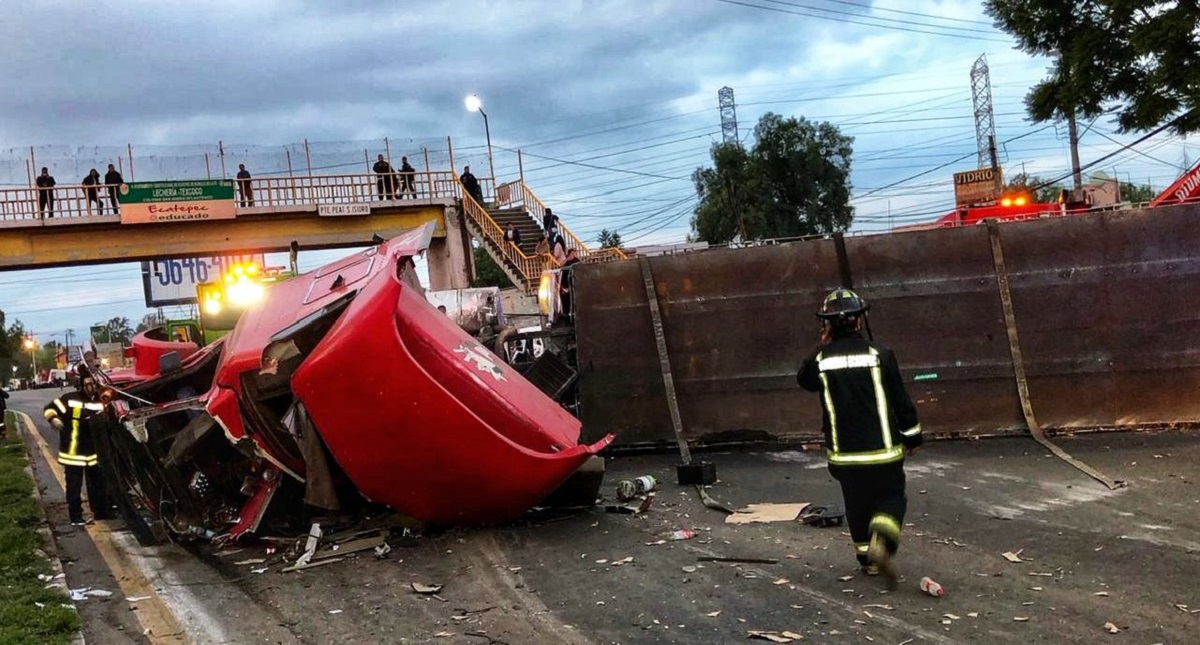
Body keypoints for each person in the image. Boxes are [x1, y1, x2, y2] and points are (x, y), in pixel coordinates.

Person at [796, 288, 922, 589]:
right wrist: (913, 436)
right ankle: (882, 538)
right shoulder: (880, 355)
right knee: (891, 497)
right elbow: (900, 400)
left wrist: (820, 346)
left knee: (856, 504)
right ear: (859, 321)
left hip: (844, 456)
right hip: (883, 452)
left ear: (826, 324)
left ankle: (868, 562)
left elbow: (804, 380)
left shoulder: (821, 360)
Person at [43, 363, 112, 526]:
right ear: (81, 385)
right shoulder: (69, 399)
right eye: (87, 384)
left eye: (92, 384)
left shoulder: (101, 400)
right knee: (74, 486)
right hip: (73, 453)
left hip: (93, 453)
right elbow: (49, 408)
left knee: (98, 484)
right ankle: (76, 517)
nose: (90, 387)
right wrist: (54, 419)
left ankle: (101, 512)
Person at [558, 248, 582, 325]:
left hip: (575, 284)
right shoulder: (566, 261)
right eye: (572, 253)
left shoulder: (577, 261)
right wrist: (567, 259)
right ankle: (567, 317)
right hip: (566, 285)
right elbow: (560, 266)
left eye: (575, 253)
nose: (574, 254)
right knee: (566, 301)